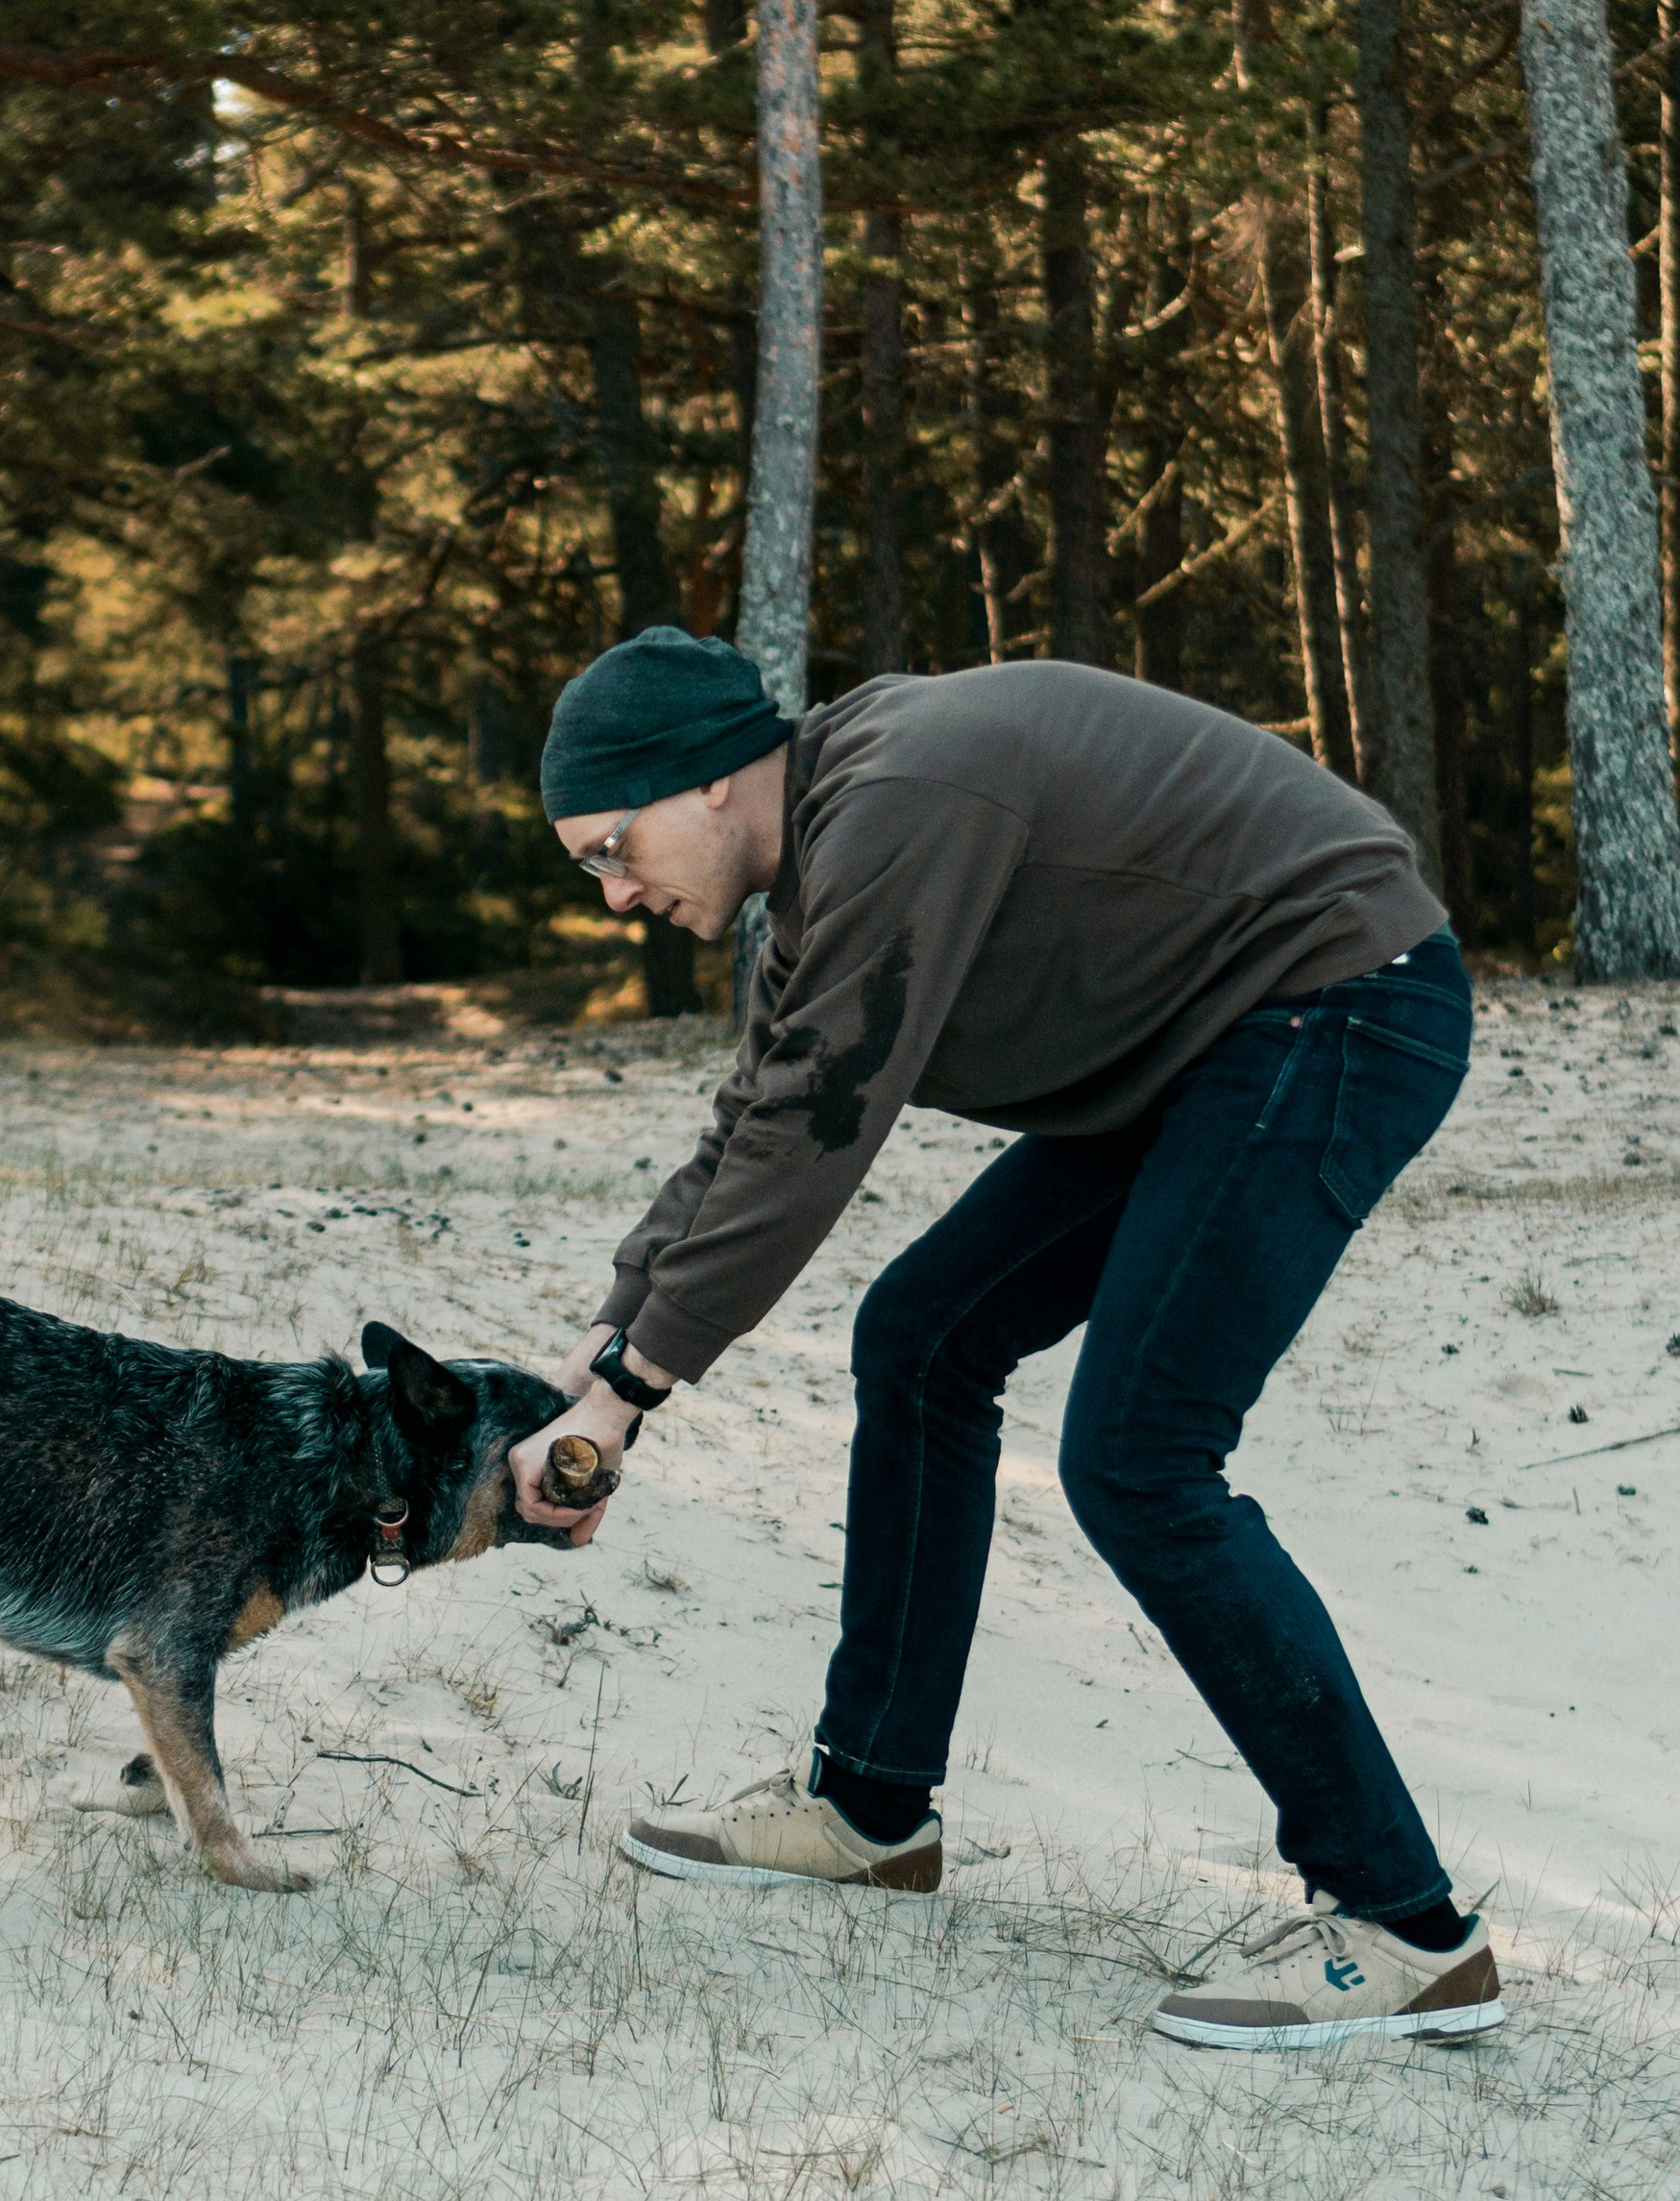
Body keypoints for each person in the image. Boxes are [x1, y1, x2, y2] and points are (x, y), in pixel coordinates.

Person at [507, 626, 1501, 2054]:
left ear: (712, 782)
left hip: (1334, 1002)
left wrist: (634, 1396)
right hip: (1206, 1042)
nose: (611, 893)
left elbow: (817, 1128)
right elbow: (759, 1106)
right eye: (583, 866)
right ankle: (870, 1808)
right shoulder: (831, 860)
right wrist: (605, 1340)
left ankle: (1406, 1929)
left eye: (614, 845)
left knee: (1141, 1462)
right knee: (922, 1340)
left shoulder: (905, 798)